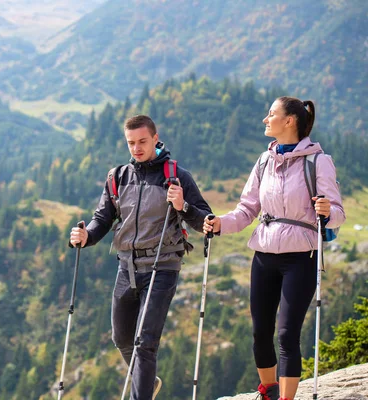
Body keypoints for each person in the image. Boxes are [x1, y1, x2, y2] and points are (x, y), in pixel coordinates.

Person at [203, 97, 345, 400]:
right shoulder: (264, 161)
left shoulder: (319, 161)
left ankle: (286, 398)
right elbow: (246, 210)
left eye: (271, 114)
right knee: (260, 333)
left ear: (290, 120)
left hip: (301, 257)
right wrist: (219, 224)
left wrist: (327, 209)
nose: (266, 120)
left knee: (286, 334)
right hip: (264, 255)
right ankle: (268, 391)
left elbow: (338, 213)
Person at [69, 115, 212, 400]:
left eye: (142, 142)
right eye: (131, 143)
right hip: (127, 267)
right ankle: (147, 381)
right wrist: (87, 238)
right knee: (121, 338)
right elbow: (103, 218)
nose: (136, 148)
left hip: (163, 266)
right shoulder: (118, 177)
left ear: (156, 139)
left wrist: (182, 205)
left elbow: (203, 220)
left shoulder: (177, 176)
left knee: (144, 342)